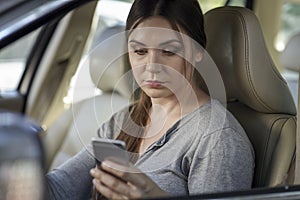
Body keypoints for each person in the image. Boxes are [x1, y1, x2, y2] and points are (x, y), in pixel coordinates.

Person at [46, 0, 254, 199]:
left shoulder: (217, 137)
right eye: (140, 51)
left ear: (197, 52)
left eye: (168, 51)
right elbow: (59, 189)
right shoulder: (123, 120)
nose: (152, 66)